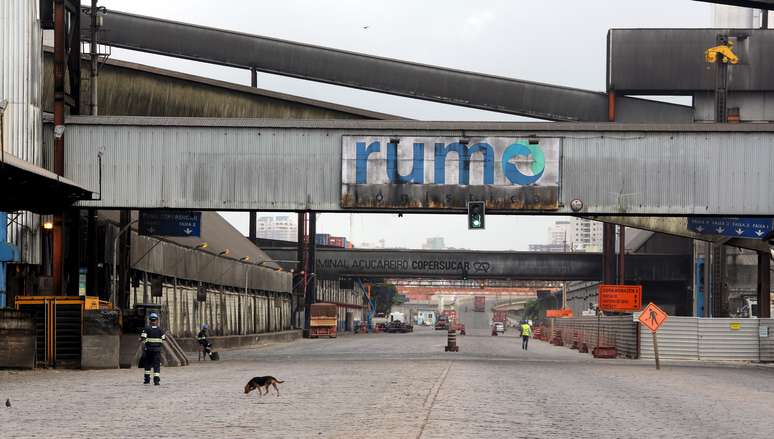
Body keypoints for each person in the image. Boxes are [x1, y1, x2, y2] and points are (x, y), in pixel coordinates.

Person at [140, 312, 166, 385]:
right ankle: (156, 381)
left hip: (148, 350)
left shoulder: (146, 329)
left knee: (147, 365)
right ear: (156, 320)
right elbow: (163, 339)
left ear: (149, 320)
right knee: (156, 365)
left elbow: (143, 338)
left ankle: (147, 380)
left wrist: (141, 340)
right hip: (157, 351)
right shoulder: (160, 330)